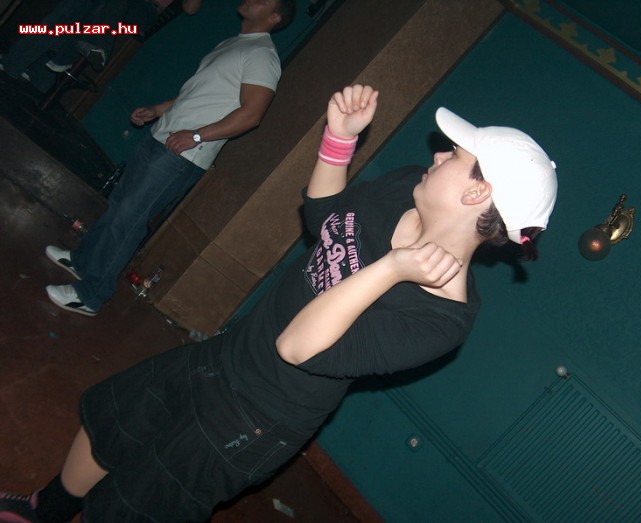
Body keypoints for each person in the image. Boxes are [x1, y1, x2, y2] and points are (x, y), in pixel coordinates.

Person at [0, 84, 558, 522]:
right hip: (228, 352)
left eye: (454, 155)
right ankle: (45, 511)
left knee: (134, 507)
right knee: (112, 422)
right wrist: (337, 140)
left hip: (255, 416)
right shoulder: (405, 186)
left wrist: (391, 269)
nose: (437, 155)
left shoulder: (440, 317)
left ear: (477, 192)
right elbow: (323, 219)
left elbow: (298, 346)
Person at [43, 0, 297, 316]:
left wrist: (197, 136)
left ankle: (91, 294)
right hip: (163, 138)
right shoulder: (234, 43)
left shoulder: (263, 55)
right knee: (119, 206)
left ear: (274, 17)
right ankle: (83, 261)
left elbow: (251, 114)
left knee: (129, 219)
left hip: (183, 153)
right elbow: (196, 94)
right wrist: (158, 110)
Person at [0, 0, 203, 92]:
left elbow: (191, 9)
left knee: (77, 10)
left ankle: (19, 63)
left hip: (144, 10)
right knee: (75, 7)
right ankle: (55, 64)